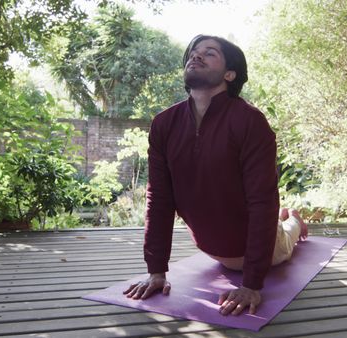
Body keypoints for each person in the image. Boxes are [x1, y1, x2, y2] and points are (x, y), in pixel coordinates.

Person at [123, 35, 308, 316]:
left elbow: (262, 201)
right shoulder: (164, 124)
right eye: (193, 53)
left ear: (229, 74)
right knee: (275, 224)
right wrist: (156, 271)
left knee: (286, 237)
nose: (195, 56)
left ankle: (294, 220)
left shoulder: (250, 122)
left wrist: (251, 284)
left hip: (260, 253)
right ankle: (287, 219)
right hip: (211, 249)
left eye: (209, 53)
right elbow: (159, 199)